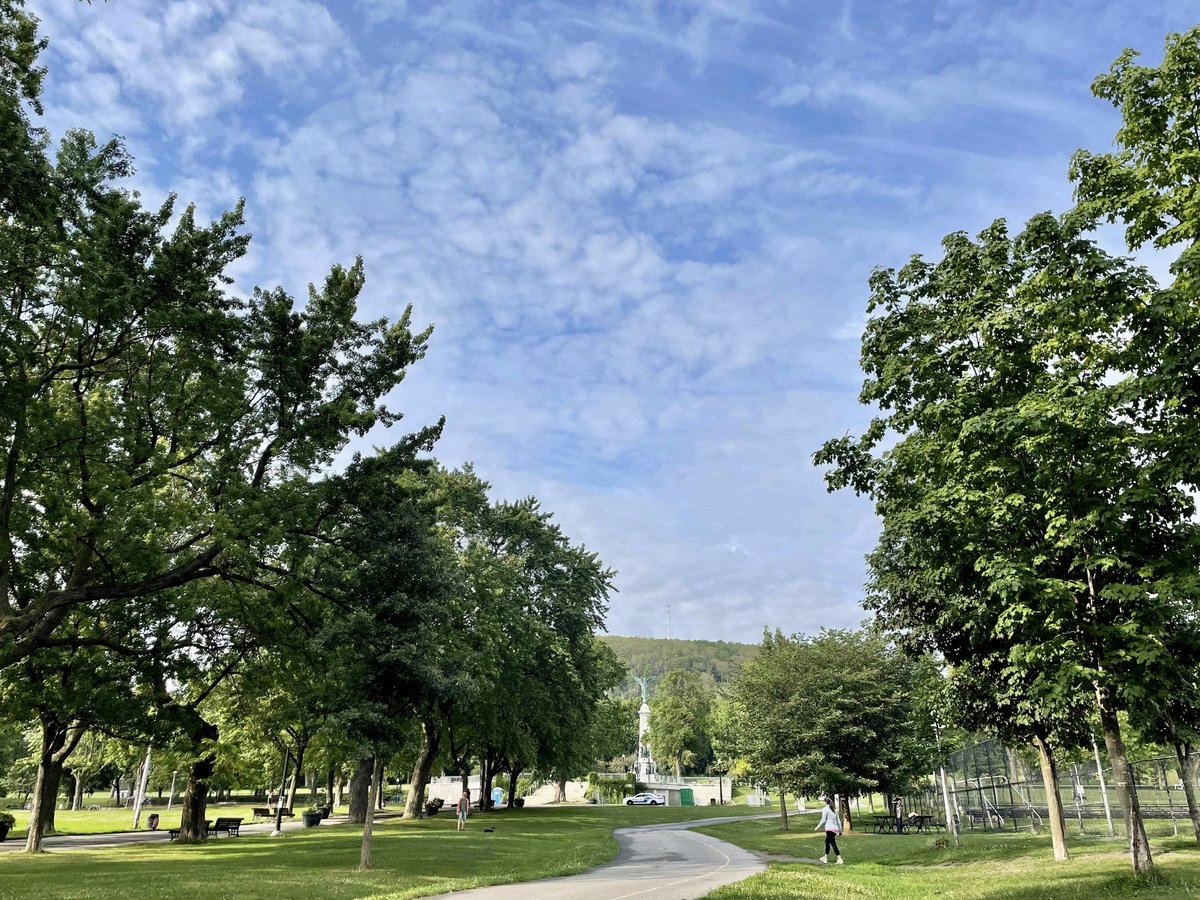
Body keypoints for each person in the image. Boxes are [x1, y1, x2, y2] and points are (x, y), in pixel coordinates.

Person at [815, 796, 843, 864]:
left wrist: (817, 827)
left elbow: (823, 820)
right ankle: (825, 857)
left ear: (825, 802)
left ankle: (839, 859)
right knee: (828, 842)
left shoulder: (825, 809)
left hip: (829, 829)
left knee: (832, 843)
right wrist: (840, 830)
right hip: (835, 829)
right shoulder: (834, 810)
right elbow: (838, 821)